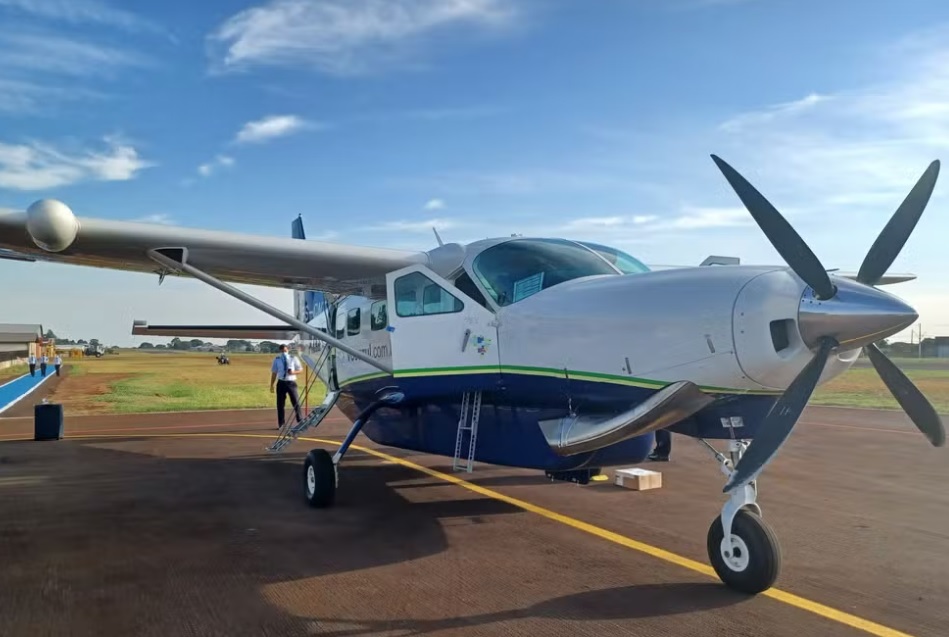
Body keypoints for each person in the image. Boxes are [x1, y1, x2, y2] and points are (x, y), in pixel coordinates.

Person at [270, 344, 304, 429]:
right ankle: (281, 424)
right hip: (281, 382)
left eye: (285, 350)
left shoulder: (293, 358)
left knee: (296, 402)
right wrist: (271, 385)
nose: (283, 352)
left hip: (291, 382)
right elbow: (274, 372)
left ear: (288, 350)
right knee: (280, 404)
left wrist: (293, 372)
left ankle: (300, 421)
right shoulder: (277, 359)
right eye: (282, 351)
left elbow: (300, 369)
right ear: (280, 351)